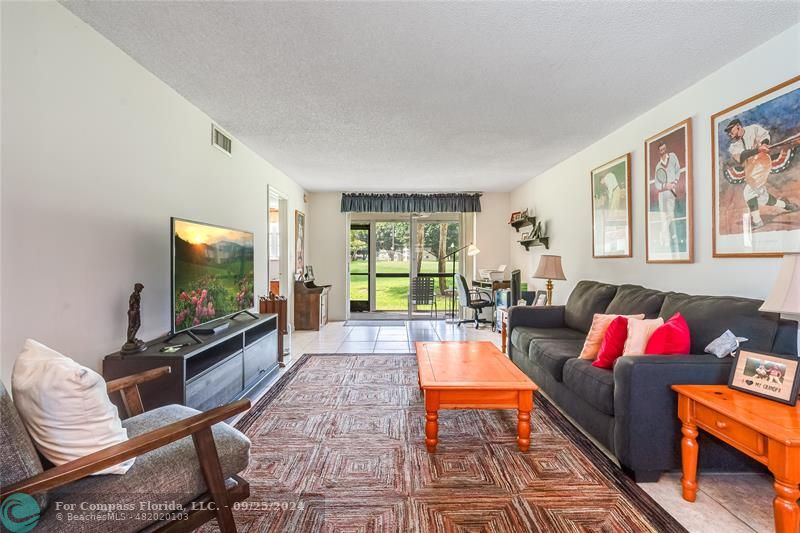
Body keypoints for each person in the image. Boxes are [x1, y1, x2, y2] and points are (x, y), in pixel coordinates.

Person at [725, 118, 798, 229]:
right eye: (728, 131)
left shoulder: (753, 129)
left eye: (731, 130)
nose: (729, 133)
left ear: (738, 126)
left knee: (748, 193)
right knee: (763, 199)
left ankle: (757, 221)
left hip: (762, 164)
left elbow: (764, 136)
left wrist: (764, 144)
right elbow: (742, 156)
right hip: (750, 170)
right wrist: (758, 149)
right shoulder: (733, 146)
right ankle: (787, 206)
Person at [653, 141, 681, 250]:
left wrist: (673, 183)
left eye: (664, 149)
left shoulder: (673, 157)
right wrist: (665, 185)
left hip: (671, 192)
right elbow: (656, 184)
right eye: (661, 150)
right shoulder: (658, 166)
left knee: (670, 215)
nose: (663, 151)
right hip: (662, 194)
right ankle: (665, 240)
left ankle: (664, 235)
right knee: (662, 217)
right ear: (659, 151)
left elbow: (677, 170)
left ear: (666, 148)